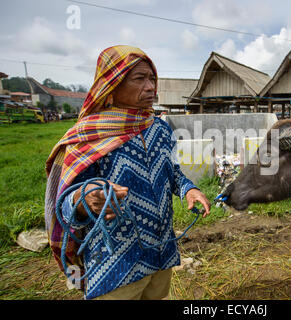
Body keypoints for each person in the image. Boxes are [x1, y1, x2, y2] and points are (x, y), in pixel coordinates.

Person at [45, 45, 210, 300]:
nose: (150, 87)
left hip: (161, 252)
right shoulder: (88, 136)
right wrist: (84, 200)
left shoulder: (159, 129)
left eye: (152, 78)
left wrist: (189, 189)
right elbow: (65, 203)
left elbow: (172, 171)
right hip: (116, 264)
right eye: (139, 78)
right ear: (112, 84)